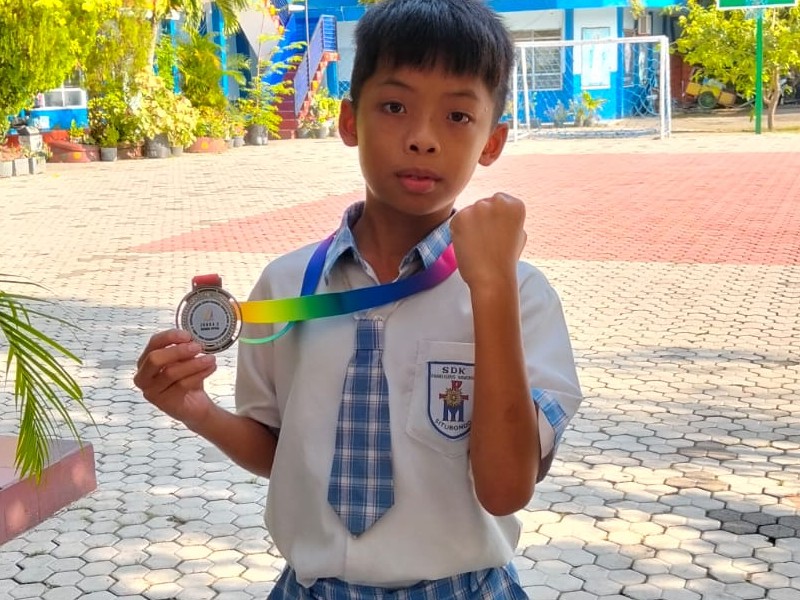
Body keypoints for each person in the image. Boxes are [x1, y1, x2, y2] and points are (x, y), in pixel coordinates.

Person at [134, 0, 583, 597]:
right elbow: (280, 451)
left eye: (457, 115)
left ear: (492, 141)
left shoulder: (520, 296)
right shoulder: (287, 287)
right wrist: (199, 411)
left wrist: (492, 286)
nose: (422, 139)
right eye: (395, 107)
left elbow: (506, 489)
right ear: (350, 121)